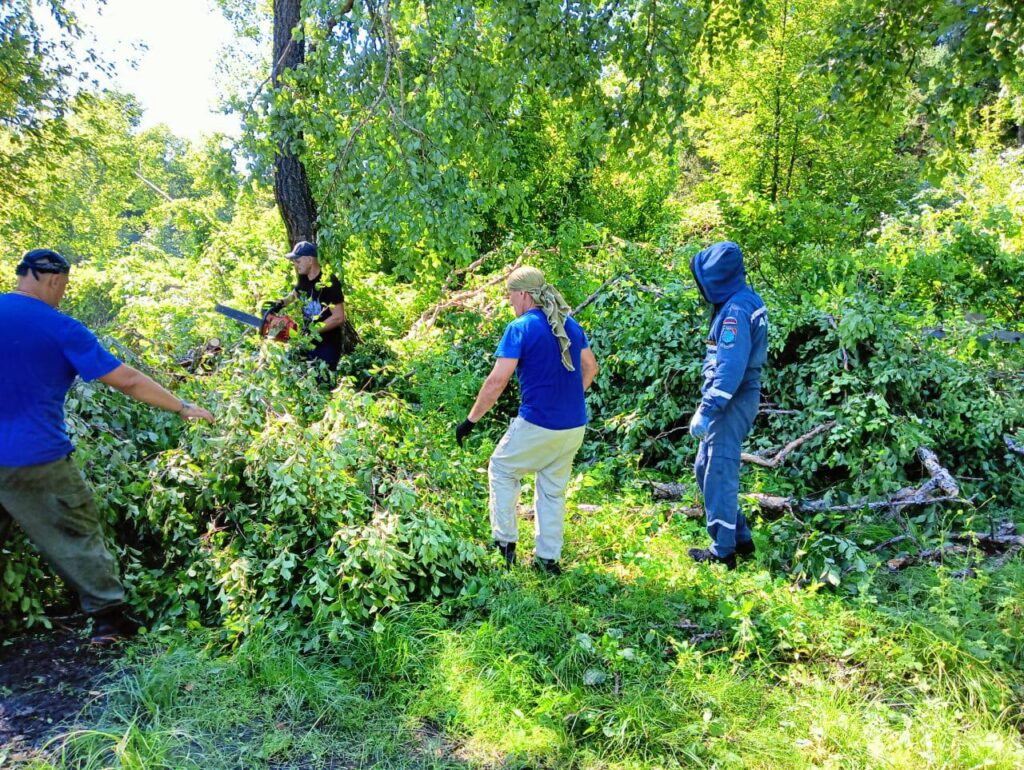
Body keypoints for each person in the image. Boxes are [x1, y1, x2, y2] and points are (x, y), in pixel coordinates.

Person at [0, 249, 215, 644]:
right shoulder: (61, 328)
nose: (62, 295)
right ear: (53, 281)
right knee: (76, 531)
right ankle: (108, 619)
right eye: (63, 287)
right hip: (34, 457)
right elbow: (127, 380)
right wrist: (182, 406)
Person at [455, 266, 599, 575]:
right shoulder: (570, 325)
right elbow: (591, 368)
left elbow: (497, 381)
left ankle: (503, 548)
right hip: (574, 425)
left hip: (539, 423)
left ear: (523, 295)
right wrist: (570, 397)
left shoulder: (520, 327)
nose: (509, 302)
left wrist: (470, 421)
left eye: (509, 295)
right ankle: (547, 560)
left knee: (502, 468)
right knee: (551, 489)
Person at [687, 241, 768, 569]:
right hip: (734, 400)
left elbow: (730, 369)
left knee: (718, 471)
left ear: (716, 278)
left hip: (730, 402)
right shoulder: (746, 298)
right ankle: (740, 537)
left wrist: (707, 409)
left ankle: (723, 553)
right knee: (705, 468)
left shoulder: (735, 311)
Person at [269, 240, 348, 375]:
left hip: (327, 345)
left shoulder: (329, 282)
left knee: (322, 383)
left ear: (310, 260)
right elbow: (294, 294)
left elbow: (339, 317)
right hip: (308, 343)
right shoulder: (304, 278)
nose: (295, 264)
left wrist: (313, 331)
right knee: (301, 379)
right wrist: (280, 304)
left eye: (298, 261)